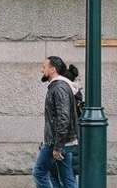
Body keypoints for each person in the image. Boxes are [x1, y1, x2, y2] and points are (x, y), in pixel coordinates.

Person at [33, 56, 78, 188]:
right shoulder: (59, 87)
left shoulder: (59, 88)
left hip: (56, 143)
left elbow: (63, 117)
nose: (42, 70)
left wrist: (57, 147)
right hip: (60, 141)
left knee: (39, 172)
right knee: (66, 178)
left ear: (53, 69)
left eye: (44, 67)